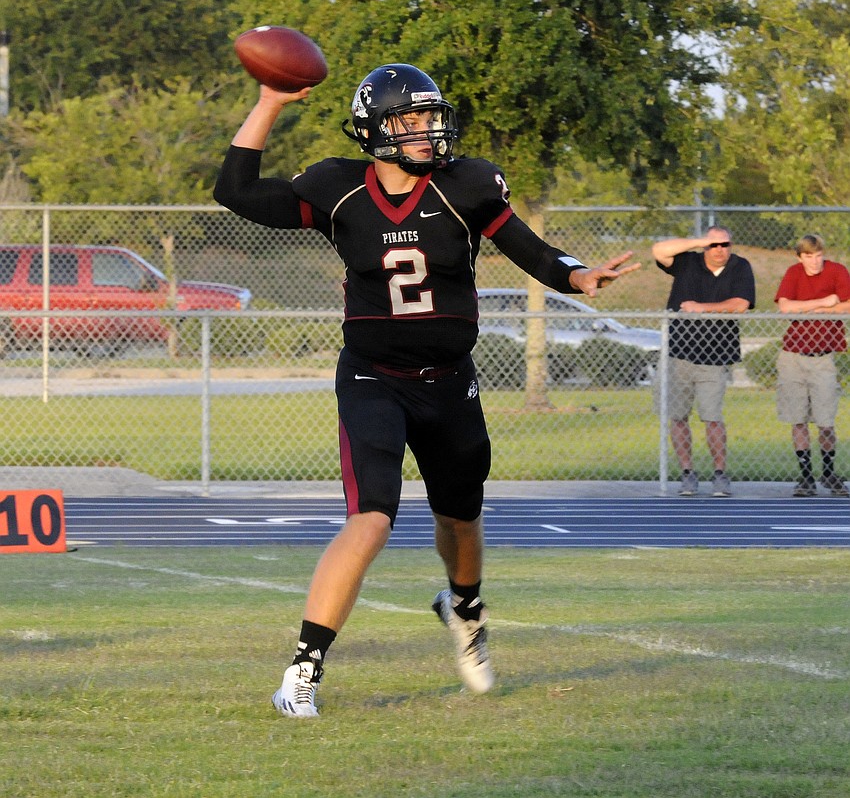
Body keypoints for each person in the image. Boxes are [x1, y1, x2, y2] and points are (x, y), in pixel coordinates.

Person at [214, 63, 639, 717]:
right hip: (371, 378)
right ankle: (301, 671)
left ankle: (465, 609)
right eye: (411, 119)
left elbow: (529, 249)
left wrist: (579, 277)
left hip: (450, 383)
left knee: (460, 519)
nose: (427, 129)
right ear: (375, 129)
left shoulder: (463, 184)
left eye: (430, 115)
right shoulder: (337, 188)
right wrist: (270, 98)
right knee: (370, 519)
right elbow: (236, 191)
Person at [652, 226, 755, 498]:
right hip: (679, 353)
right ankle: (687, 473)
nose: (719, 250)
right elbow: (658, 251)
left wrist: (701, 309)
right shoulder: (687, 261)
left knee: (712, 417)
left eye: (724, 244)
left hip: (715, 356)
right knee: (677, 416)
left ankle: (720, 474)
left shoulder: (740, 266)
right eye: (714, 245)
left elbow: (740, 304)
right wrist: (700, 242)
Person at [774, 234, 850, 498]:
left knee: (826, 421)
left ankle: (828, 472)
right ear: (799, 257)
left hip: (823, 357)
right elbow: (786, 307)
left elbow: (848, 304)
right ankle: (806, 477)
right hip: (793, 355)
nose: (814, 261)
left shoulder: (837, 271)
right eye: (808, 256)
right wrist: (823, 303)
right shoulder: (793, 273)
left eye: (818, 255)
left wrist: (820, 312)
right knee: (798, 420)